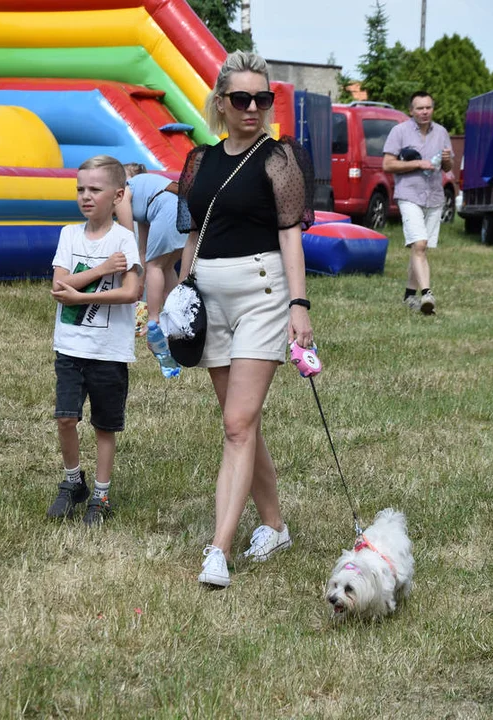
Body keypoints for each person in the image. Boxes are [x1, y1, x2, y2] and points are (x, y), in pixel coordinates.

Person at [176, 50, 315, 589]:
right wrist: (179, 299)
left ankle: (218, 549)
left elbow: (289, 235)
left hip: (261, 293)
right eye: (242, 98)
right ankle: (275, 526)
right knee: (244, 423)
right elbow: (192, 233)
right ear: (221, 103)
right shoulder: (199, 161)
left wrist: (298, 306)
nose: (253, 107)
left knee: (236, 425)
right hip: (208, 297)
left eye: (263, 98)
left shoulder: (278, 159)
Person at [47, 155, 143, 526]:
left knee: (105, 426)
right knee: (65, 419)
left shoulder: (124, 239)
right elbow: (58, 285)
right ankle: (74, 482)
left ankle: (100, 495)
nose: (86, 196)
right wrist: (103, 270)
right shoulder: (69, 235)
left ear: (117, 195)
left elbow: (131, 292)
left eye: (95, 189)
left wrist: (80, 295)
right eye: (80, 189)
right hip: (70, 348)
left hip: (109, 352)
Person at [382, 90, 454, 315]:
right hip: (409, 195)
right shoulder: (399, 131)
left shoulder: (441, 132)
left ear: (433, 108)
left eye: (428, 107)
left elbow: (449, 168)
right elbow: (387, 165)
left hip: (433, 196)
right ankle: (427, 294)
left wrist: (446, 161)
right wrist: (417, 164)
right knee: (420, 244)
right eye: (420, 108)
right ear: (411, 111)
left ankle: (409, 295)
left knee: (419, 248)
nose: (424, 112)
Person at [115, 162, 185, 378]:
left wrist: (130, 281)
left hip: (169, 211)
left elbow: (127, 238)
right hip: (183, 212)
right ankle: (179, 315)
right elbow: (142, 250)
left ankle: (154, 319)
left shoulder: (123, 192)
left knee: (157, 266)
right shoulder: (146, 198)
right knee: (164, 267)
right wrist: (141, 282)